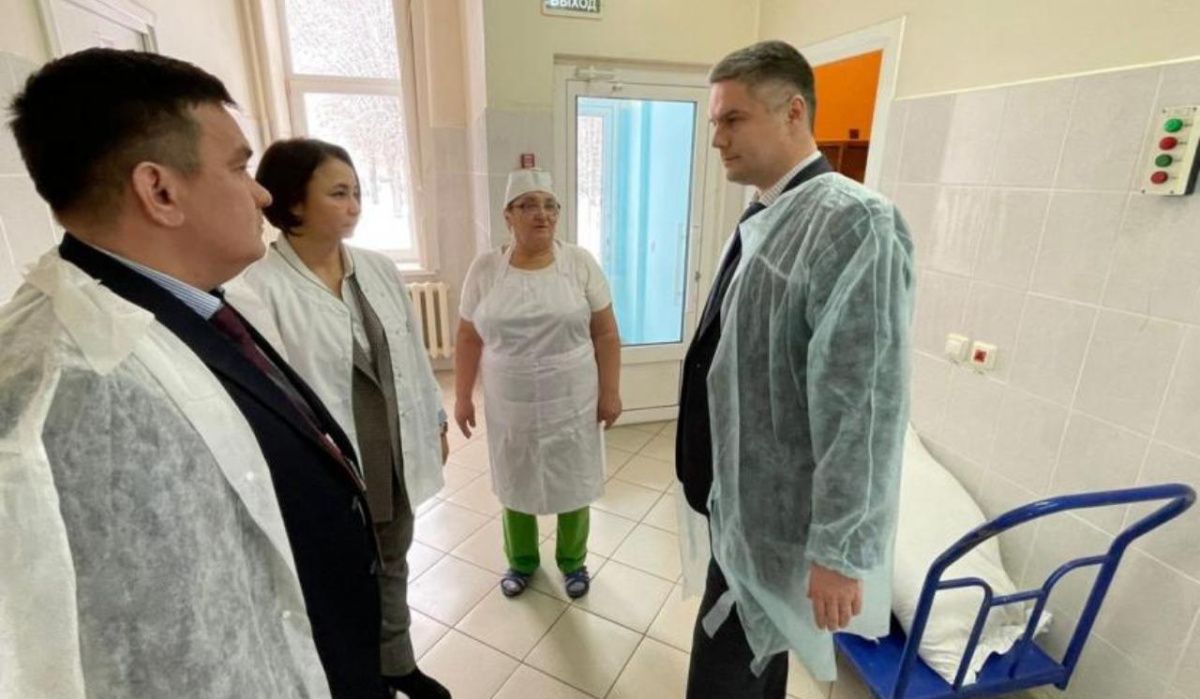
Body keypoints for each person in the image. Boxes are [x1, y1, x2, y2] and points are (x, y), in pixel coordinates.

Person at [0, 49, 388, 698]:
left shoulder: (178, 301)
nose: (262, 194)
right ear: (160, 191)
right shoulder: (81, 382)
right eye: (239, 167)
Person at [676, 41, 914, 697]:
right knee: (757, 652)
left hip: (780, 520)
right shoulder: (767, 213)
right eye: (715, 122)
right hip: (742, 505)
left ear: (793, 111)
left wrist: (839, 550)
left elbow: (863, 403)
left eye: (733, 119)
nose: (717, 139)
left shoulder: (852, 222)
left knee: (723, 674)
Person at [234, 137, 450, 699]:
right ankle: (358, 678)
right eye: (338, 193)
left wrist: (435, 419)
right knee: (341, 578)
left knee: (394, 560)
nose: (354, 205)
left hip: (392, 450)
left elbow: (413, 355)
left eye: (357, 192)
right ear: (293, 202)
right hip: (328, 467)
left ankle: (397, 662)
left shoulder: (377, 269)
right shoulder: (258, 287)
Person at [454, 168, 621, 600]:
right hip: (510, 398)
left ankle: (573, 561)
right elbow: (468, 336)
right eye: (528, 205)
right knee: (516, 476)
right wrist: (461, 396)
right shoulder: (485, 269)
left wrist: (610, 390)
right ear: (508, 216)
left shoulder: (579, 263)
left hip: (572, 394)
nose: (541, 214)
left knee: (573, 478)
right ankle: (522, 560)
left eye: (549, 205)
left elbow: (606, 332)